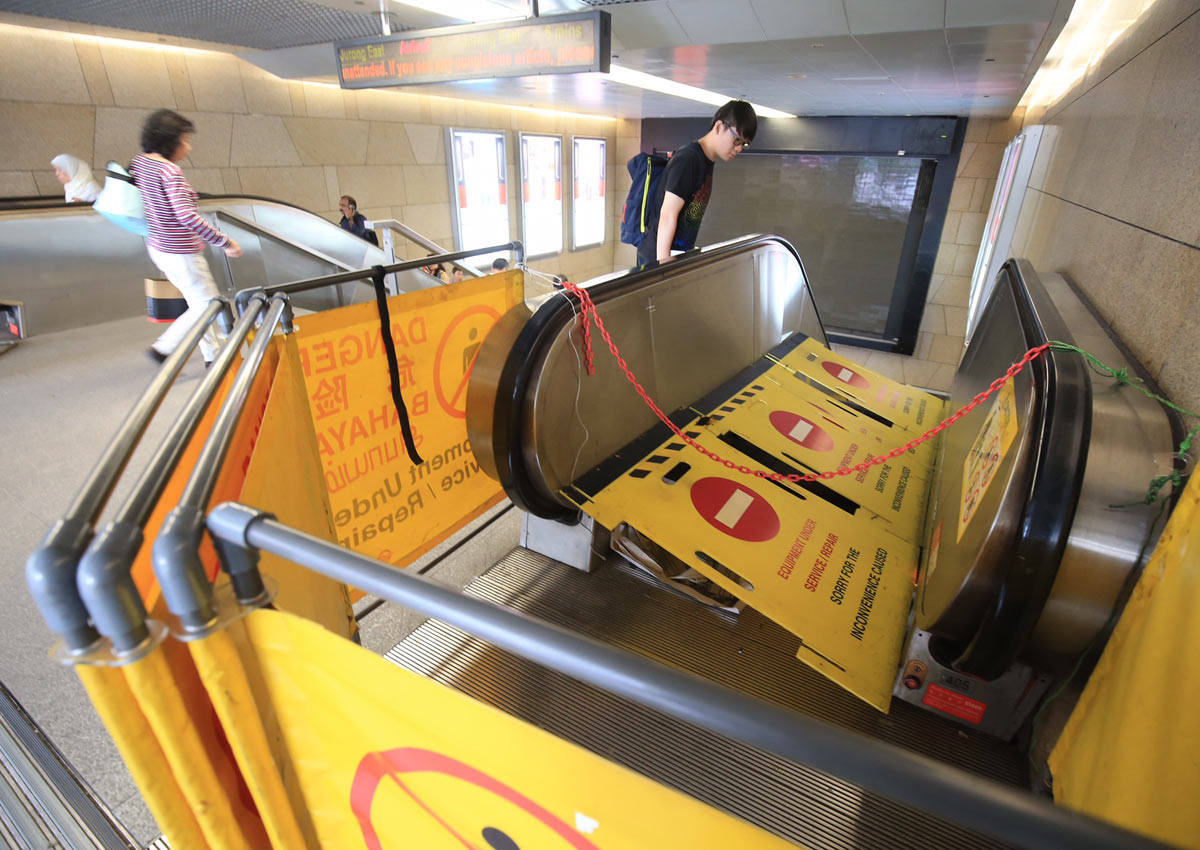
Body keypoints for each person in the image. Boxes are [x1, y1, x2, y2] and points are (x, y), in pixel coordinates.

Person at [130, 109, 242, 366]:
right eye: (185, 141)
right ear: (170, 141)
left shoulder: (141, 163)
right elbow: (188, 217)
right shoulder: (170, 172)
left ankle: (213, 356)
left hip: (159, 248)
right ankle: (163, 347)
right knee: (209, 304)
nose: (188, 148)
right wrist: (225, 242)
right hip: (182, 252)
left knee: (198, 302)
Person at [637, 100, 757, 266]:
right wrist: (663, 270)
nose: (739, 148)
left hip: (677, 256)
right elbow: (668, 215)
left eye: (744, 144)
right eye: (737, 140)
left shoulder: (706, 161)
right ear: (719, 127)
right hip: (658, 259)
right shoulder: (689, 159)